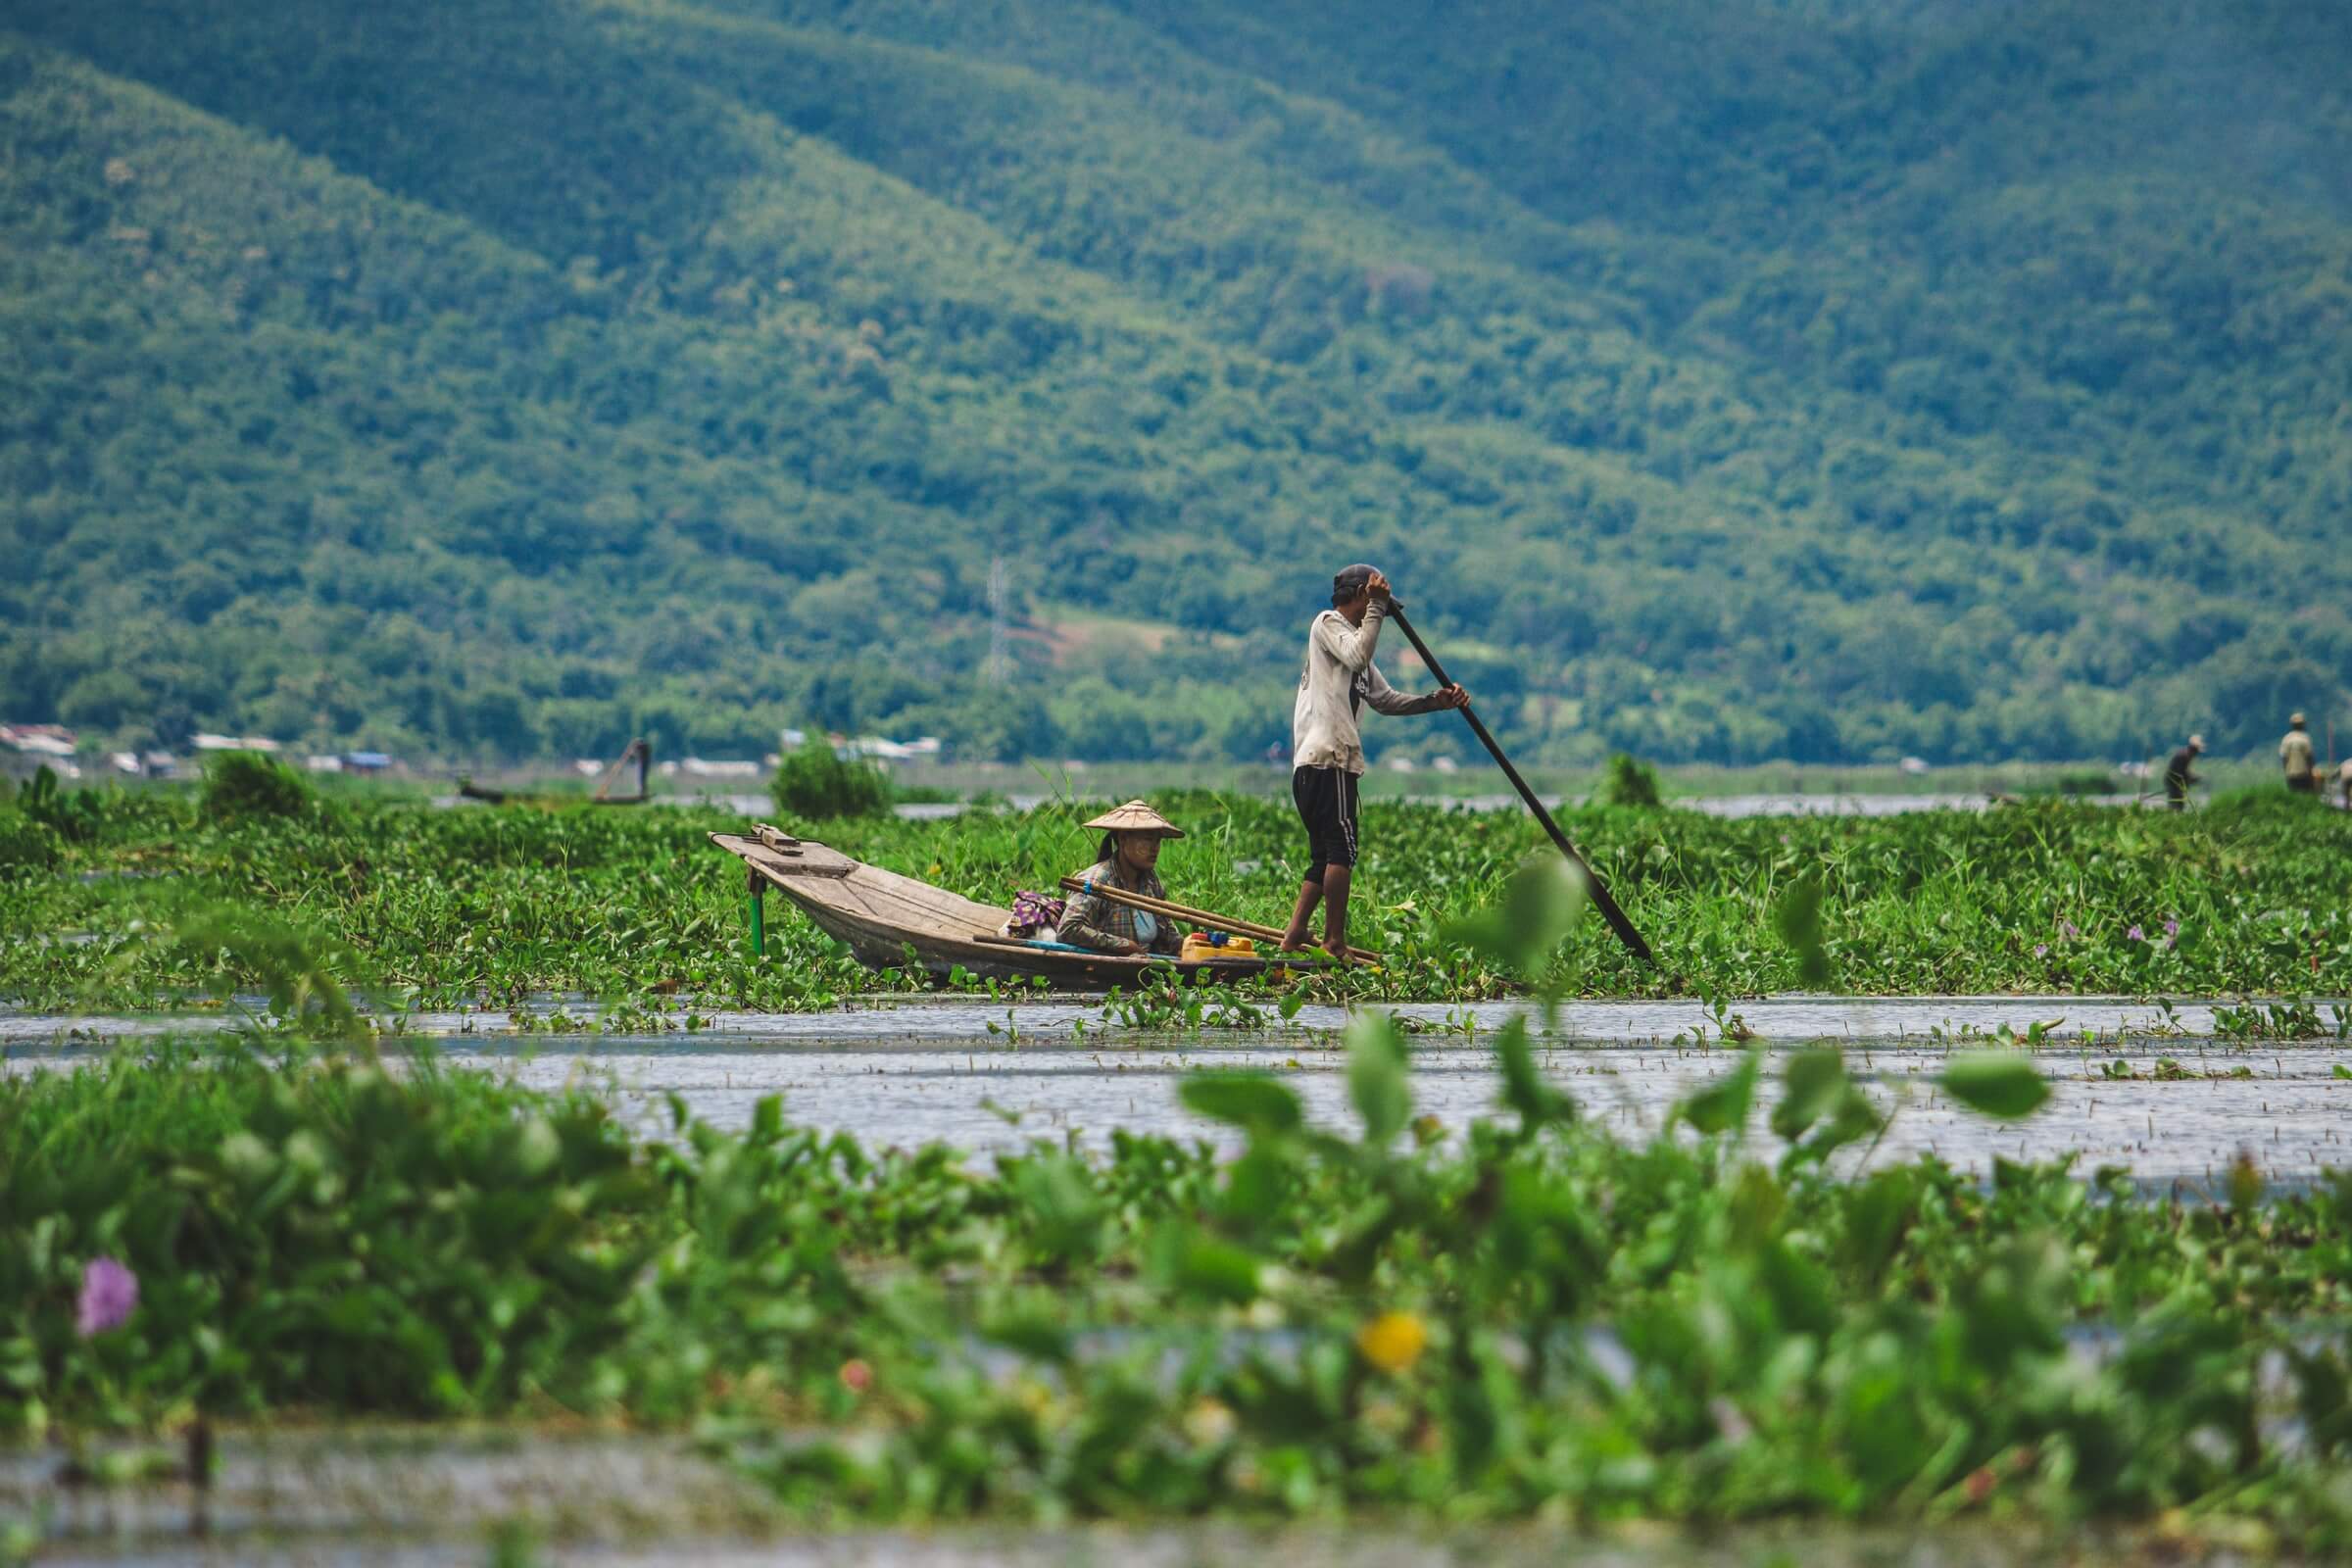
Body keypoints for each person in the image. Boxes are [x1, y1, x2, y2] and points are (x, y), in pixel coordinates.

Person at [1280, 564, 1468, 958]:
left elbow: (1384, 700)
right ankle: (1334, 941)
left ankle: (1295, 932)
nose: (1377, 611)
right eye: (1373, 602)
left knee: (1324, 854)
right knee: (1342, 851)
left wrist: (1434, 702)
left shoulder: (1354, 646)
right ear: (1361, 596)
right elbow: (1358, 653)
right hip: (1326, 760)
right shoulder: (1328, 624)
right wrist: (1377, 609)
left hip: (1327, 762)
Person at [1056, 800, 1187, 957]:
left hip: (1147, 968)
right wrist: (1123, 945)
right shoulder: (1098, 880)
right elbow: (1068, 929)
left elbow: (1168, 934)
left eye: (1157, 840)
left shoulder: (1151, 881)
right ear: (1123, 839)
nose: (1154, 848)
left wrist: (1186, 946)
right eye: (1147, 839)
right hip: (1104, 969)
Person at [2163, 734, 2203, 810]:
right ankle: (2172, 817)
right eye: (2196, 751)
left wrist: (2193, 779)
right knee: (2176, 803)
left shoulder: (2186, 755)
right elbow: (2181, 774)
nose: (2196, 754)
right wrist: (2193, 779)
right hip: (2172, 781)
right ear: (2193, 749)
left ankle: (2174, 816)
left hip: (2176, 781)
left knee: (2179, 803)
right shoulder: (2183, 756)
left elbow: (2185, 773)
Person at [2282, 712, 2317, 793]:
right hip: (2304, 773)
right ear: (2302, 725)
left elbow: (2284, 757)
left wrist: (2286, 771)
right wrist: (2311, 772)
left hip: (2291, 773)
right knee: (2306, 795)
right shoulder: (2305, 738)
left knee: (2294, 795)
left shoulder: (2287, 739)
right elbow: (2309, 757)